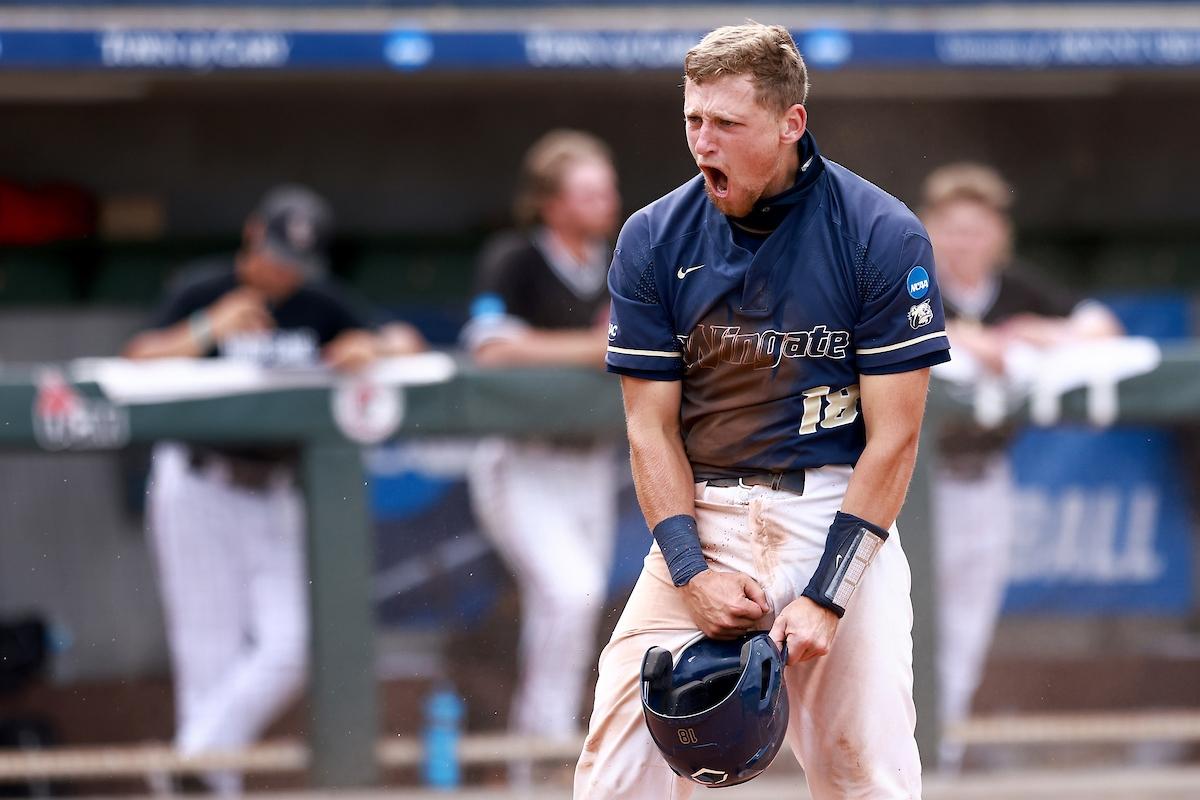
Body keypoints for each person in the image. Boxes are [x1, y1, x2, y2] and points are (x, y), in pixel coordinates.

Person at [578, 22, 952, 799]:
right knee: (614, 780)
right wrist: (690, 571)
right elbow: (648, 430)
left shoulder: (880, 233)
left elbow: (896, 439)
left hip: (834, 511)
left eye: (727, 124)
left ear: (790, 123)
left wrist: (828, 596)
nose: (703, 143)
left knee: (867, 774)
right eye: (693, 121)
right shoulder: (652, 236)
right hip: (704, 514)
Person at [124, 185, 424, 795]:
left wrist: (376, 343)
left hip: (278, 488)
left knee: (295, 643)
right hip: (200, 483)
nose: (287, 271)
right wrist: (210, 326)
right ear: (254, 234)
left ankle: (190, 761)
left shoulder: (317, 300)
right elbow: (137, 359)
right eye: (280, 253)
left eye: (299, 261)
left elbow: (407, 341)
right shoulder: (203, 288)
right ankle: (208, 779)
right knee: (206, 657)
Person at [918, 162, 1122, 770]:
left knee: (970, 617)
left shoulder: (1015, 289)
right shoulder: (913, 283)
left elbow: (1102, 327)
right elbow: (860, 326)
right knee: (906, 617)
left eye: (976, 229)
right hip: (914, 484)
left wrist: (1030, 332)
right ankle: (907, 749)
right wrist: (961, 336)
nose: (964, 243)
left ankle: (943, 754)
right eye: (951, 229)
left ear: (997, 234)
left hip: (986, 476)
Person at [461, 130, 620, 785]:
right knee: (570, 593)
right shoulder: (515, 258)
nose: (604, 203)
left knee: (571, 609)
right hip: (520, 462)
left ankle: (534, 764)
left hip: (590, 464)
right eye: (587, 192)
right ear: (550, 203)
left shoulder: (619, 263)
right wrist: (587, 348)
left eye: (607, 190)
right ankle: (549, 749)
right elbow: (489, 348)